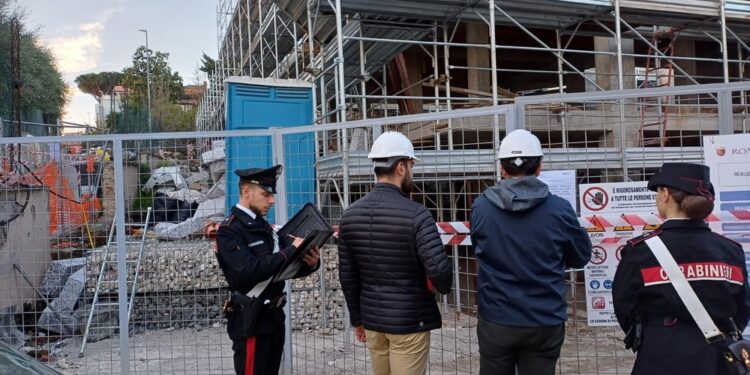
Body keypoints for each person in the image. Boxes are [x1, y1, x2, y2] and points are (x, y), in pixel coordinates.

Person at [470, 129, 592, 375]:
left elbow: (480, 249)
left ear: (502, 169)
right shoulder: (559, 209)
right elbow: (581, 256)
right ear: (539, 168)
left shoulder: (481, 207)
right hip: (544, 318)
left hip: (497, 317)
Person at [612, 162, 750, 375]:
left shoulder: (641, 251)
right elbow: (742, 308)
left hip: (661, 353)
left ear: (665, 194)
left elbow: (624, 307)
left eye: (658, 192)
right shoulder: (731, 250)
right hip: (719, 356)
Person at [338, 131, 453, 375]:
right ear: (400, 167)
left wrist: (358, 319)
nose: (412, 171)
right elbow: (439, 270)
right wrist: (443, 286)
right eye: (411, 165)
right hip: (410, 321)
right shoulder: (417, 214)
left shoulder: (350, 215)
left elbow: (347, 276)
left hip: (373, 322)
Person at [215, 165, 321, 375]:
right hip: (252, 321)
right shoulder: (229, 231)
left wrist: (310, 263)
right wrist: (290, 250)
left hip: (274, 319)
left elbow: (284, 269)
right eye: (265, 194)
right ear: (246, 192)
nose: (271, 200)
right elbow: (247, 271)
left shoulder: (266, 229)